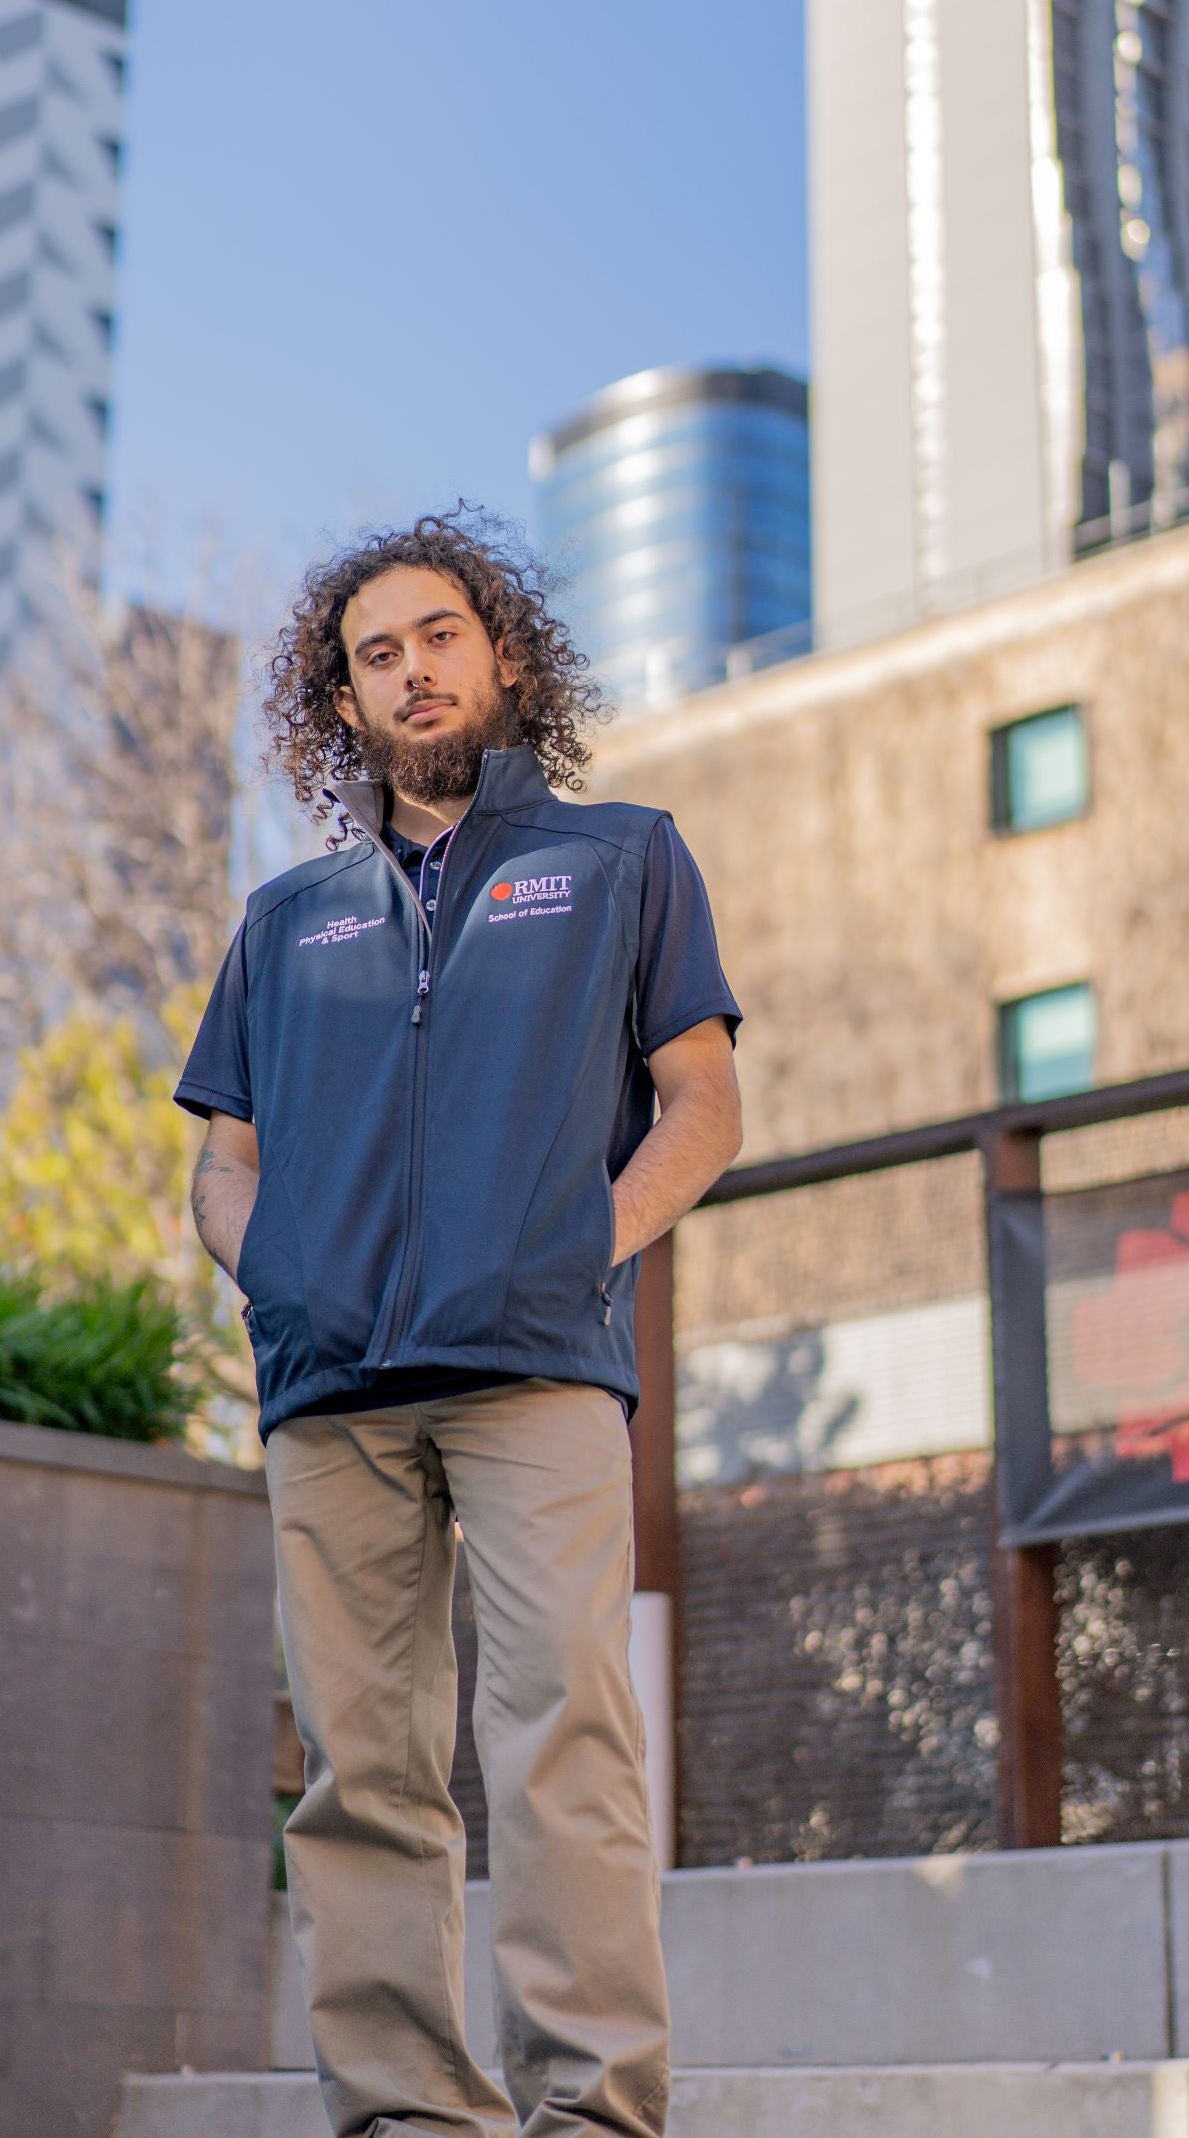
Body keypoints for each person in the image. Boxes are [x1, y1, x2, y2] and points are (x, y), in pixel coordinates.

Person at [176, 508, 742, 2138]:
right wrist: (269, 1269)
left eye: (438, 635)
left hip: (536, 1369)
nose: (411, 670)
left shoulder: (621, 858)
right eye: (375, 653)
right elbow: (225, 1161)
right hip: (330, 1390)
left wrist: (589, 1244)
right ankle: (408, 2114)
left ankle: (591, 2113)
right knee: (361, 1773)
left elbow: (701, 1100)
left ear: (500, 653)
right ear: (339, 700)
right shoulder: (287, 922)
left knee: (562, 1727)